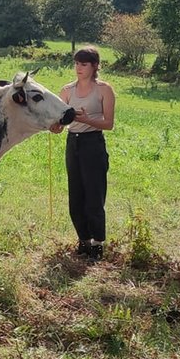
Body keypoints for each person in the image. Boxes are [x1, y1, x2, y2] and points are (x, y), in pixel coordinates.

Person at [48, 45, 116, 259]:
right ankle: (83, 240)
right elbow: (59, 123)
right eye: (76, 63)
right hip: (73, 143)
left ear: (94, 66)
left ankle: (97, 243)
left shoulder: (104, 89)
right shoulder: (67, 90)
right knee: (75, 195)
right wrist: (55, 126)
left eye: (83, 64)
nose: (78, 68)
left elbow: (109, 123)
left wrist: (87, 120)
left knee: (94, 195)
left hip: (93, 143)